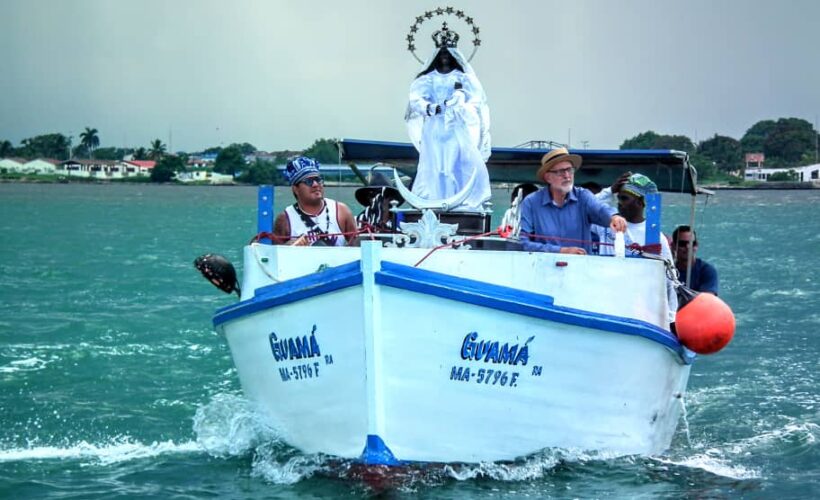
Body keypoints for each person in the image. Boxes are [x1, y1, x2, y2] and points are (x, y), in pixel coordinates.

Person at [405, 26, 491, 211]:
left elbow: (476, 101)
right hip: (435, 128)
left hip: (455, 128)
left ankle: (456, 199)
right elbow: (415, 100)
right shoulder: (428, 78)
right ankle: (435, 199)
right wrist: (429, 107)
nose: (445, 56)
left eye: (448, 53)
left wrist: (460, 105)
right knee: (434, 164)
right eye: (442, 53)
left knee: (454, 164)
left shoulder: (463, 78)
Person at [591, 173, 678, 324]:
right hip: (604, 304)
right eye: (618, 198)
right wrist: (610, 191)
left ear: (640, 202)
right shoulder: (607, 223)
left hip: (637, 312)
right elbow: (583, 208)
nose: (618, 203)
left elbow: (670, 282)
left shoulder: (655, 237)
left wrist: (671, 320)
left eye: (624, 198)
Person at [519, 148, 626, 254]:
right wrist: (560, 251)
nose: (567, 176)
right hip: (543, 267)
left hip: (580, 268)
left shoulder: (583, 196)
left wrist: (614, 217)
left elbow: (600, 210)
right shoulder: (531, 202)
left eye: (570, 170)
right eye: (561, 172)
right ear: (548, 178)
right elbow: (522, 242)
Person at [273, 156, 357, 246]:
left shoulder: (341, 211)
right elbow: (273, 254)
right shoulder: (285, 219)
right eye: (308, 181)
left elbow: (357, 247)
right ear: (295, 189)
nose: (315, 184)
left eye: (318, 180)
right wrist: (287, 247)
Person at [672, 225, 719, 294]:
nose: (688, 247)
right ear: (673, 246)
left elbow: (707, 297)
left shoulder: (706, 271)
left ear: (696, 245)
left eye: (692, 243)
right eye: (682, 244)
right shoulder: (668, 272)